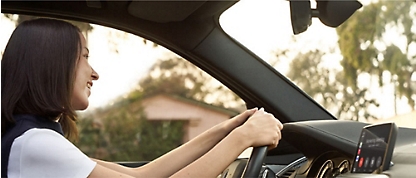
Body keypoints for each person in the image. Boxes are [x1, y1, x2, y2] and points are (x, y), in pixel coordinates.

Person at [1, 18, 283, 178]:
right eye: (84, 57)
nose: (94, 73)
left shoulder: (34, 139)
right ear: (53, 66)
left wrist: (225, 130)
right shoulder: (35, 144)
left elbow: (142, 175)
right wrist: (242, 139)